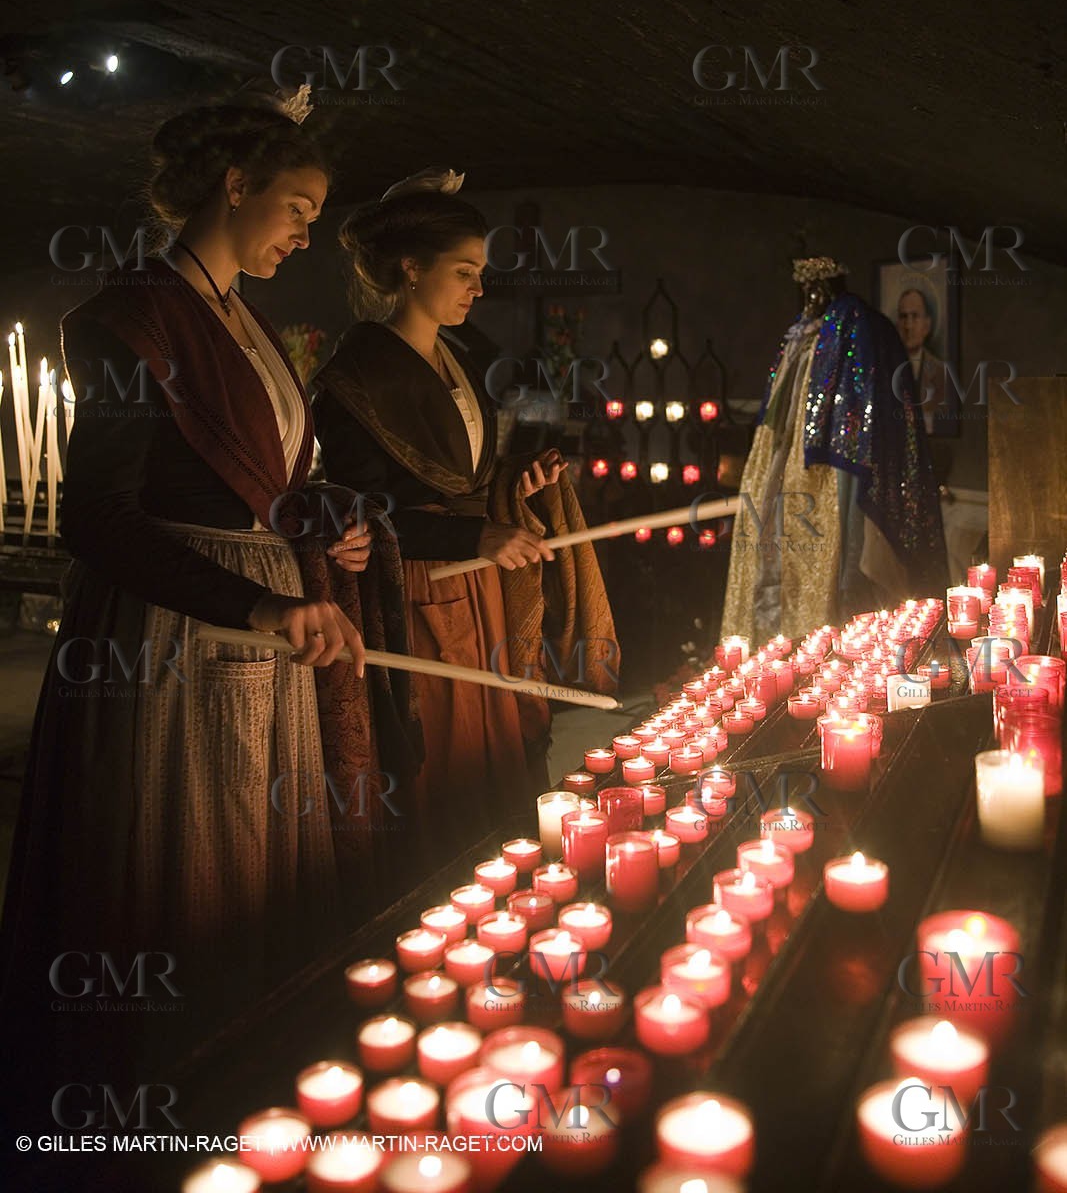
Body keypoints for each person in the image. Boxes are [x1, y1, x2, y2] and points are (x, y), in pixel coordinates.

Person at [0, 91, 371, 1145]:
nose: (305, 234)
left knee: (258, 862)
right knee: (188, 862)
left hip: (267, 617)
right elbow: (98, 517)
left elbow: (262, 476)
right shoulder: (129, 317)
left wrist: (323, 522)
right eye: (295, 206)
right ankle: (156, 1110)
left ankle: (244, 1085)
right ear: (234, 183)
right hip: (176, 629)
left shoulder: (244, 319)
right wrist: (256, 596)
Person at [312, 168, 619, 857]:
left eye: (479, 271)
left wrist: (516, 485)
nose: (478, 289)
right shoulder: (356, 380)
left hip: (479, 581)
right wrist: (476, 530)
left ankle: (502, 866)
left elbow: (464, 477)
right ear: (410, 269)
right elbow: (365, 512)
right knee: (449, 750)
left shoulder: (456, 358)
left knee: (498, 740)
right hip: (421, 593)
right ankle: (440, 884)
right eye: (463, 272)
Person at [721, 257, 946, 645]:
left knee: (836, 558)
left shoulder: (861, 329)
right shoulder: (799, 336)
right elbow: (779, 412)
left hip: (835, 470)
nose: (811, 298)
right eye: (806, 290)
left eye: (817, 289)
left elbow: (872, 414)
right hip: (788, 461)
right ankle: (774, 651)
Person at [896, 286, 949, 434]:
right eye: (903, 317)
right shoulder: (886, 370)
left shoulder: (941, 372)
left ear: (927, 325)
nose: (909, 326)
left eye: (915, 316)